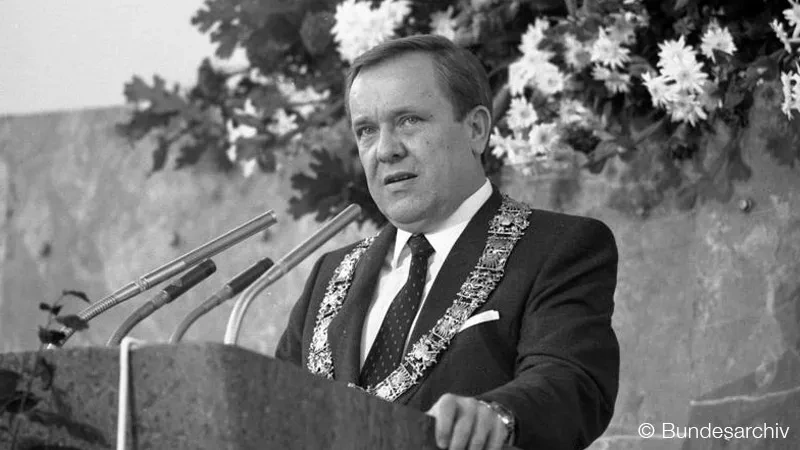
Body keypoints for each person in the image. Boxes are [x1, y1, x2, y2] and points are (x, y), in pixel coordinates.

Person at [275, 34, 620, 450]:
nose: (385, 151)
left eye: (409, 121)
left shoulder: (558, 248)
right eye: (366, 130)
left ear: (476, 129)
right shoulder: (330, 273)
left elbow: (570, 381)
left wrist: (497, 415)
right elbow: (273, 407)